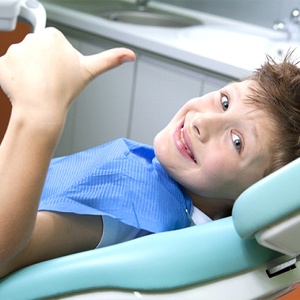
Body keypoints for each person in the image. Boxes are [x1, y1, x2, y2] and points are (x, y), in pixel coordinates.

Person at [0, 28, 299, 278]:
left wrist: (38, 113)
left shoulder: (132, 215)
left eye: (236, 142)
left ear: (252, 195)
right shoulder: (177, 210)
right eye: (224, 102)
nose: (202, 122)